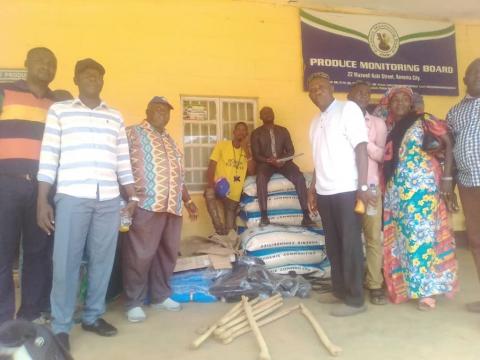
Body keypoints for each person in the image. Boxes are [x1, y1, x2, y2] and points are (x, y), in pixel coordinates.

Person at [37, 58, 137, 349]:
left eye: (98, 75)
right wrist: (41, 200)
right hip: (71, 195)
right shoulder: (60, 111)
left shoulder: (115, 116)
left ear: (103, 81)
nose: (93, 78)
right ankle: (61, 326)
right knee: (65, 262)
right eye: (87, 75)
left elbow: (122, 161)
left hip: (108, 199)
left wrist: (131, 196)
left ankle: (93, 317)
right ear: (76, 80)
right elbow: (49, 156)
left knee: (102, 261)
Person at [379, 86, 458, 310]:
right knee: (402, 240)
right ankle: (407, 285)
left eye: (405, 99)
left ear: (411, 103)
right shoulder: (391, 128)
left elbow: (448, 143)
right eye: (395, 100)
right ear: (389, 105)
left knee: (422, 238)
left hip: (422, 191)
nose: (400, 103)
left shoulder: (423, 120)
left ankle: (426, 291)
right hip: (397, 193)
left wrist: (448, 177)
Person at [123, 96, 199, 323]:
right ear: (147, 111)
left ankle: (160, 295)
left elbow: (179, 175)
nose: (162, 114)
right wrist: (127, 199)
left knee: (166, 254)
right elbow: (120, 165)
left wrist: (188, 200)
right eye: (157, 110)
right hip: (146, 204)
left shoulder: (170, 140)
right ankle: (134, 302)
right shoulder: (133, 133)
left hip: (172, 206)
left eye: (166, 111)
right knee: (140, 255)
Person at [307, 72, 373, 317]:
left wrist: (363, 187)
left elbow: (362, 148)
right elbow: (319, 159)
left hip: (347, 189)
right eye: (312, 90)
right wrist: (312, 188)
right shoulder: (314, 122)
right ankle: (339, 291)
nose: (317, 92)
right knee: (333, 245)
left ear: (332, 87)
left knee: (351, 244)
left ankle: (355, 299)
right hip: (325, 192)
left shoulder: (348, 110)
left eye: (321, 87)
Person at [0, 47, 57, 326]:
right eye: (40, 61)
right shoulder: (4, 92)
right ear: (26, 63)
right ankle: (3, 320)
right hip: (6, 184)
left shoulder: (58, 103)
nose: (45, 66)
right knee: (2, 252)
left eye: (51, 63)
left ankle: (29, 314)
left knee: (37, 252)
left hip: (42, 189)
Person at [347, 81, 388, 305]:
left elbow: (382, 155)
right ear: (349, 95)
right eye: (358, 92)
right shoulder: (340, 121)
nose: (363, 96)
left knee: (373, 237)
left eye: (367, 93)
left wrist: (364, 144)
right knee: (350, 237)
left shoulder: (377, 124)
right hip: (345, 189)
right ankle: (352, 284)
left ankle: (374, 284)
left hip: (370, 188)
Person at [447, 58, 480, 313]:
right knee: (476, 240)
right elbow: (449, 150)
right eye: (474, 73)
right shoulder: (455, 112)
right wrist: (449, 186)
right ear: (465, 80)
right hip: (468, 184)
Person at [251, 106, 313, 226]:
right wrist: (269, 160)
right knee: (261, 178)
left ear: (274, 114)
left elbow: (291, 150)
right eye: (265, 113)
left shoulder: (283, 130)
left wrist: (281, 160)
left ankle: (306, 216)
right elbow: (256, 155)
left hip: (284, 163)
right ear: (260, 117)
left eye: (270, 112)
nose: (268, 114)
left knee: (299, 177)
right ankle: (264, 216)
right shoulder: (256, 133)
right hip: (265, 163)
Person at [204, 122, 255, 235]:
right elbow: (212, 165)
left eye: (244, 130)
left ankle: (226, 234)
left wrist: (246, 150)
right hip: (219, 188)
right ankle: (219, 229)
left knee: (230, 231)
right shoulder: (222, 145)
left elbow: (252, 171)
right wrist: (212, 185)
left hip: (234, 195)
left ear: (247, 134)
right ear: (234, 132)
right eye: (239, 129)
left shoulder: (248, 152)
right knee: (209, 193)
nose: (241, 132)